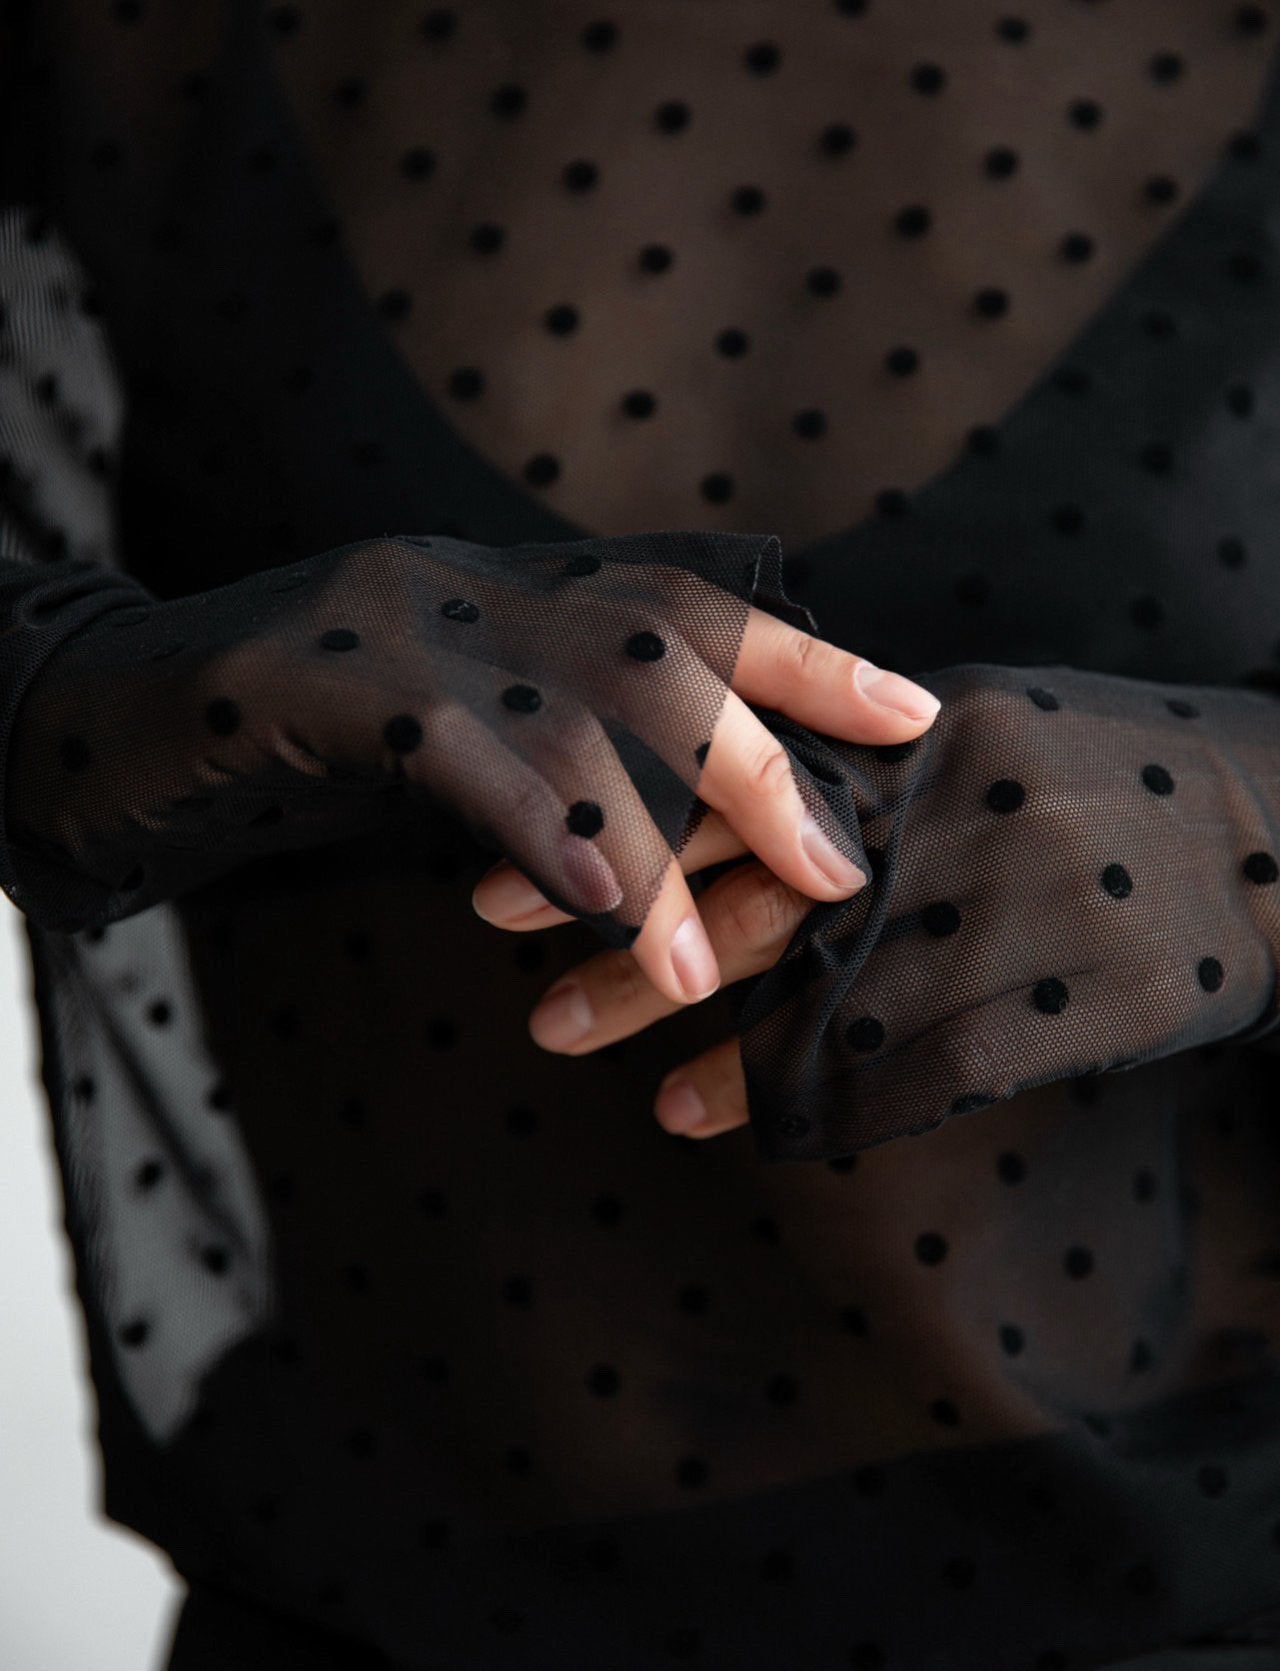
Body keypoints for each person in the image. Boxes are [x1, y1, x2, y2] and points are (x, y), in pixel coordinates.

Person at [4, 2, 1280, 1666]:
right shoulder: (122, 44)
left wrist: (1235, 827)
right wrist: (242, 667)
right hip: (368, 1602)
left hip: (1184, 1600)